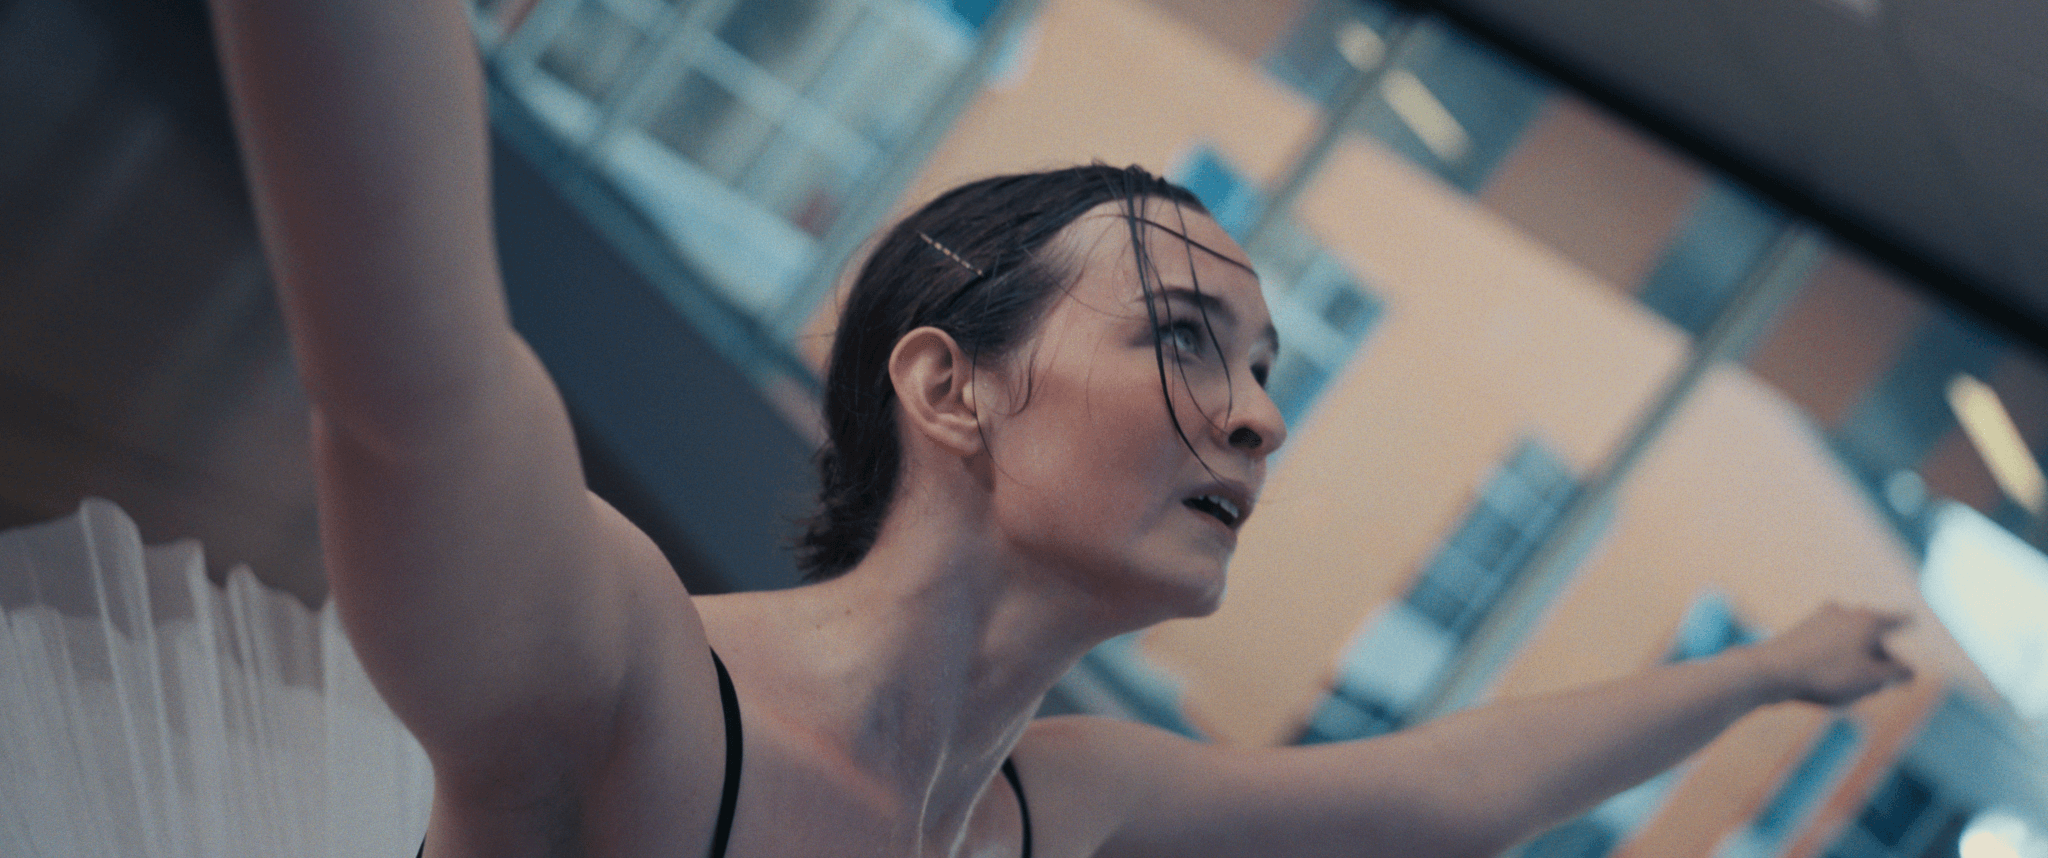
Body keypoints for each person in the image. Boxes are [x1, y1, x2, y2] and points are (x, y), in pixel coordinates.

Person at [203, 0, 1916, 856]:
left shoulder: (1058, 798)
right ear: (948, 386)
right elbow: (412, 376)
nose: (1259, 416)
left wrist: (1772, 670)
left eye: (1268, 369)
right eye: (1183, 338)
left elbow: (1447, 794)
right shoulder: (621, 672)